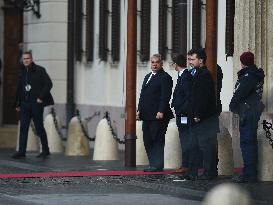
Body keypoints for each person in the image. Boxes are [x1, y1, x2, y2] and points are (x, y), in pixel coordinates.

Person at [230, 51, 264, 183]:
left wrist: (233, 105)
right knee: (249, 142)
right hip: (251, 110)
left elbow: (240, 93)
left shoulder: (249, 76)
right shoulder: (254, 74)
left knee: (247, 142)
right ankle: (249, 172)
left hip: (248, 112)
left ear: (243, 62)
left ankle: (249, 174)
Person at [184, 48, 218, 180]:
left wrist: (198, 114)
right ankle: (192, 172)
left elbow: (203, 98)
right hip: (195, 117)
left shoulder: (204, 75)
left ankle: (209, 172)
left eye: (192, 59)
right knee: (194, 145)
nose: (190, 62)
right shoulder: (196, 73)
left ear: (201, 60)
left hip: (204, 119)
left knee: (206, 146)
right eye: (189, 59)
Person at [12, 51, 54, 159]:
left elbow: (49, 84)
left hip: (36, 104)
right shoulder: (22, 72)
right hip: (25, 105)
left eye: (28, 58)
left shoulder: (40, 70)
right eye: (24, 59)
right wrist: (17, 103)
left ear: (31, 59)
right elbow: (19, 89)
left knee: (39, 127)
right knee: (23, 128)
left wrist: (41, 97)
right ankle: (21, 152)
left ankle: (45, 150)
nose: (26, 60)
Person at [137, 54, 173, 172]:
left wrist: (161, 111)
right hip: (146, 115)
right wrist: (139, 110)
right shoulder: (148, 76)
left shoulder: (165, 77)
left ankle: (157, 165)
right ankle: (152, 163)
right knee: (147, 140)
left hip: (158, 115)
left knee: (157, 140)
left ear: (161, 63)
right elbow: (143, 95)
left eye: (157, 62)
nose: (154, 64)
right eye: (152, 62)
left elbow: (165, 96)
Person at [171, 54, 192, 175]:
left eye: (173, 63)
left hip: (184, 114)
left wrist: (181, 110)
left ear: (176, 64)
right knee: (183, 138)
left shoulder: (185, 76)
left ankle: (186, 165)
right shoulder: (182, 75)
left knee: (185, 139)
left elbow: (188, 96)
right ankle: (185, 164)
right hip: (181, 113)